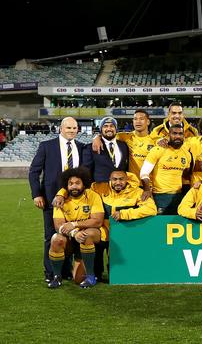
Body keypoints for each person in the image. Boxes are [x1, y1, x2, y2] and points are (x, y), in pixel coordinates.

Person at [29, 117, 85, 283]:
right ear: (61, 128)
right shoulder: (47, 146)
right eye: (68, 127)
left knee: (70, 235)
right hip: (50, 199)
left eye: (74, 128)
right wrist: (36, 194)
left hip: (75, 200)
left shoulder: (82, 147)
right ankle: (51, 272)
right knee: (51, 236)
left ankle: (66, 271)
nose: (72, 130)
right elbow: (34, 172)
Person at [48, 167, 104, 288]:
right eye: (70, 184)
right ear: (66, 186)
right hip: (70, 237)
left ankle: (90, 276)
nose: (74, 187)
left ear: (84, 184)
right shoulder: (60, 200)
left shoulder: (93, 196)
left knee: (86, 235)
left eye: (77, 183)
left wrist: (74, 224)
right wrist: (74, 233)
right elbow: (58, 226)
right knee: (56, 239)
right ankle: (57, 277)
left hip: (88, 235)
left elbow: (97, 221)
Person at [140, 124, 193, 215]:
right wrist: (147, 190)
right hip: (160, 196)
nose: (177, 136)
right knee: (161, 226)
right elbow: (144, 172)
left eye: (180, 134)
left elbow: (185, 177)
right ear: (168, 135)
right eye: (174, 133)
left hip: (178, 197)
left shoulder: (187, 155)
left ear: (184, 136)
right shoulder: (158, 150)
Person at [91, 110, 155, 178]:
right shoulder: (124, 136)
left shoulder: (156, 140)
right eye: (135, 119)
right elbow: (108, 134)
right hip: (133, 184)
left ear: (148, 122)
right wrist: (97, 137)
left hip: (151, 183)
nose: (138, 121)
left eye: (141, 119)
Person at [83, 117, 129, 183]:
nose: (109, 129)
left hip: (121, 189)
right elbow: (86, 171)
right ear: (101, 129)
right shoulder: (91, 147)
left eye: (112, 126)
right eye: (105, 126)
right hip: (100, 189)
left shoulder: (124, 146)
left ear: (116, 129)